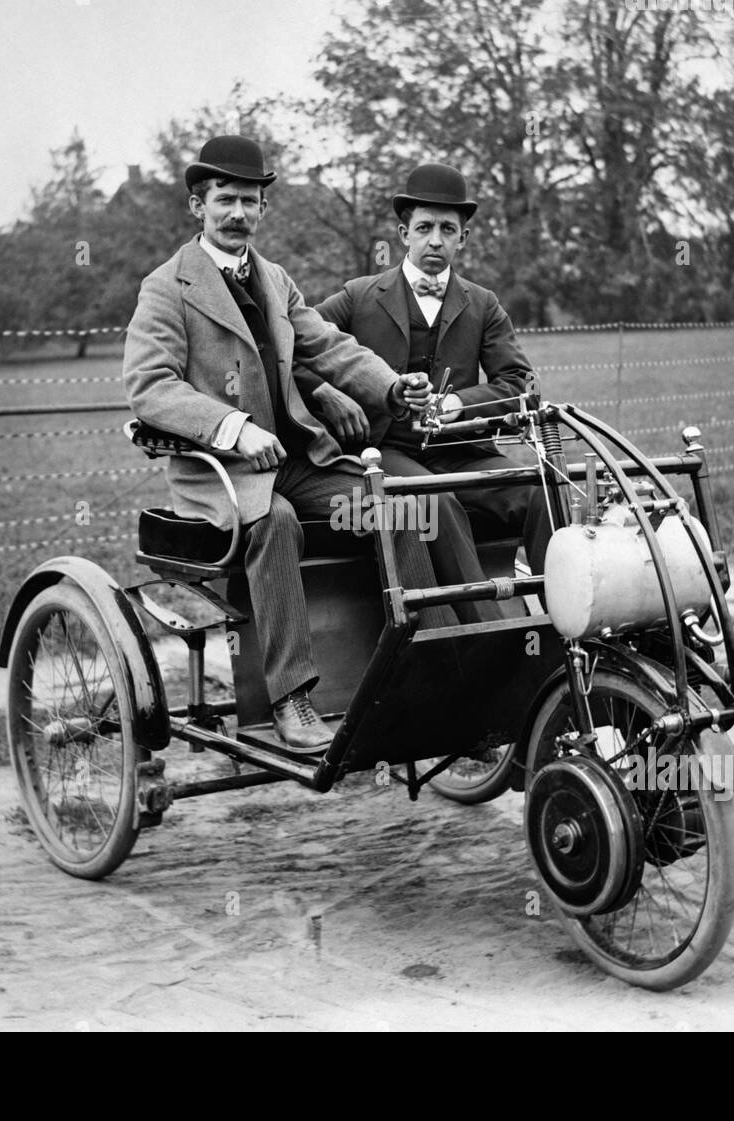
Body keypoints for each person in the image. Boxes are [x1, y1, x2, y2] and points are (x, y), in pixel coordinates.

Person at [123, 136, 456, 753]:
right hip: (218, 475)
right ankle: (291, 697)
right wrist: (235, 429)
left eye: (250, 201)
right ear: (198, 206)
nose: (238, 214)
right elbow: (150, 387)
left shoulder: (273, 280)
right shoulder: (167, 287)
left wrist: (392, 387)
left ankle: (429, 670)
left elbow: (328, 346)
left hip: (294, 461)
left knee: (398, 502)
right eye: (224, 200)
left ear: (263, 210)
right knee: (275, 524)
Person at [299, 162, 553, 583]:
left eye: (448, 230)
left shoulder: (483, 304)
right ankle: (480, 636)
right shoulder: (358, 296)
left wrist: (459, 403)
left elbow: (521, 385)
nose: (435, 240)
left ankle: (563, 630)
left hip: (462, 451)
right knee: (439, 503)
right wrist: (328, 391)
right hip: (386, 449)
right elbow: (295, 349)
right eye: (424, 228)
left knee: (538, 492)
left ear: (463, 238)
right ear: (404, 234)